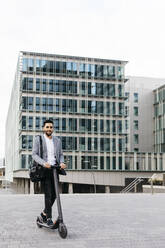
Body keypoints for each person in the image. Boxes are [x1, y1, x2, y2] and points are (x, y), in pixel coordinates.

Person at [32, 119, 66, 227]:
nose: (49, 129)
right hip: (45, 170)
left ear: (53, 129)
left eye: (51, 127)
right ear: (43, 128)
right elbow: (34, 154)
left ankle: (43, 214)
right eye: (47, 127)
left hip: (55, 169)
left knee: (55, 194)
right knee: (48, 194)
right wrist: (43, 163)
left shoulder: (57, 141)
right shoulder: (39, 139)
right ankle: (48, 218)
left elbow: (60, 154)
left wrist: (62, 162)